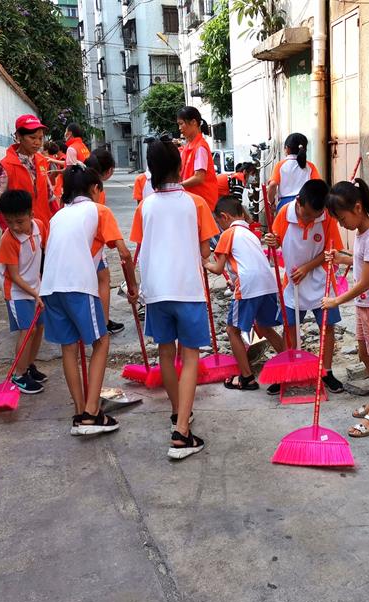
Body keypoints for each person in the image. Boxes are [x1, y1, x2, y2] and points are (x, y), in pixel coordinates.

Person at [130, 137, 219, 459]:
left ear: (150, 168)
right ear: (180, 166)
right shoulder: (195, 203)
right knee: (191, 356)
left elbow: (140, 245)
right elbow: (206, 250)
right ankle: (182, 430)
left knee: (165, 354)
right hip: (188, 289)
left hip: (156, 290)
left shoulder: (146, 205)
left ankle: (177, 412)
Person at [39, 165, 135, 435]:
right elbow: (125, 254)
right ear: (94, 189)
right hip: (78, 285)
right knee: (101, 341)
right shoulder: (98, 210)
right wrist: (133, 286)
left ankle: (80, 412)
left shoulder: (58, 216)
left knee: (68, 348)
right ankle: (93, 413)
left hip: (50, 287)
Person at [322, 179, 369, 437]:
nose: (342, 225)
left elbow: (365, 282)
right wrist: (343, 258)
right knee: (365, 355)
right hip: (366, 307)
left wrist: (336, 300)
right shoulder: (362, 234)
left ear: (358, 207)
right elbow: (362, 262)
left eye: (342, 219)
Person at [263, 179, 344, 394]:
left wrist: (308, 267)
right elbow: (277, 240)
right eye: (307, 214)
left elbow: (331, 251)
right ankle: (287, 370)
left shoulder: (326, 218)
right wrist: (272, 241)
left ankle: (326, 371)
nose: (310, 219)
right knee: (289, 329)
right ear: (298, 201)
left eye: (315, 216)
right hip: (292, 282)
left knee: (327, 327)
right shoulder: (285, 214)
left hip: (321, 281)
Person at [203, 196, 285, 390]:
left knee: (233, 330)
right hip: (268, 283)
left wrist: (204, 262)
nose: (219, 226)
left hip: (248, 286)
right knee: (265, 328)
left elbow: (217, 268)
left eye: (218, 222)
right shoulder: (250, 233)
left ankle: (247, 377)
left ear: (224, 217)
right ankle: (288, 364)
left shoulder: (228, 234)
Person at [0, 190, 48, 394]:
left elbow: (44, 254)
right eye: (9, 222)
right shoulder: (8, 240)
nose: (15, 227)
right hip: (17, 292)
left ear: (31, 215)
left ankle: (29, 366)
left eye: (20, 221)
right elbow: (14, 276)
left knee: (40, 327)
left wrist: (42, 286)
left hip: (36, 287)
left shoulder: (40, 226)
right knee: (28, 331)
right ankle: (19, 375)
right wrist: (35, 293)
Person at [0, 115, 58, 232]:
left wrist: (57, 220)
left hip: (43, 228)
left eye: (40, 138)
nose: (37, 143)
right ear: (18, 136)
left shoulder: (41, 160)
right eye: (32, 138)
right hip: (20, 233)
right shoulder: (6, 166)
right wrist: (10, 230)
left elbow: (49, 194)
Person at [84, 148, 124, 335]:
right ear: (108, 172)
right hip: (93, 244)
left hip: (77, 242)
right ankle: (103, 321)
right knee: (102, 279)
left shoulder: (78, 180)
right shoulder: (97, 189)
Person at [177, 106, 219, 210]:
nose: (179, 128)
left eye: (181, 124)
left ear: (193, 122)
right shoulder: (188, 146)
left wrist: (178, 186)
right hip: (193, 201)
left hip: (203, 203)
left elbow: (199, 177)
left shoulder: (200, 147)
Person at [266, 133, 321, 211]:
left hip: (285, 205)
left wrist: (271, 203)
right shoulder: (310, 166)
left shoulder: (280, 165)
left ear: (287, 149)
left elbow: (272, 185)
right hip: (306, 204)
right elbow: (318, 186)